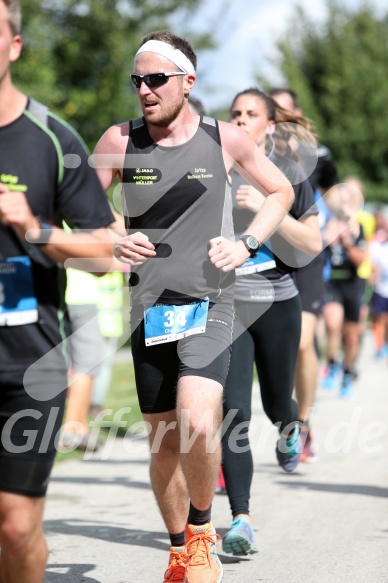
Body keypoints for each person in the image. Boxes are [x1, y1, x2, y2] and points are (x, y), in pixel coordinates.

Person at [93, 31, 294, 583]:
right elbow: (83, 208)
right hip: (148, 308)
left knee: (199, 423)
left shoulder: (225, 140)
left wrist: (248, 243)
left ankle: (203, 532)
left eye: (156, 79)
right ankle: (179, 546)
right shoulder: (118, 140)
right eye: (138, 80)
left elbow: (281, 193)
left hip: (212, 300)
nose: (145, 90)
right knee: (163, 445)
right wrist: (112, 236)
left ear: (187, 81)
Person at [0, 2, 114, 582]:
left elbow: (106, 255)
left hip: (31, 364)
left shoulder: (51, 138)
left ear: (14, 46)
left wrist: (35, 229)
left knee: (16, 527)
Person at [220, 88, 321, 556]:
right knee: (234, 411)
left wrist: (270, 209)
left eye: (251, 114)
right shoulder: (213, 171)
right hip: (228, 306)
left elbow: (311, 246)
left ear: (270, 125)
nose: (240, 121)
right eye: (235, 113)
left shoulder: (292, 175)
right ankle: (241, 518)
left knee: (278, 401)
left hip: (278, 303)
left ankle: (291, 429)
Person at [269, 87, 339, 462]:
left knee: (302, 342)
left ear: (296, 111)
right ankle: (280, 415)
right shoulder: (253, 148)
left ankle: (303, 424)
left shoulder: (315, 153)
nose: (275, 113)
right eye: (270, 106)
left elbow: (333, 193)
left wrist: (342, 222)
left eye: (281, 108)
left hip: (308, 254)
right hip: (269, 253)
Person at [321, 182, 367, 397]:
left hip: (352, 283)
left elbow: (360, 260)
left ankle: (347, 371)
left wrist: (347, 240)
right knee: (332, 321)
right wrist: (329, 237)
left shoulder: (359, 226)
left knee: (351, 335)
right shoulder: (329, 222)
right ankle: (331, 363)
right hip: (332, 282)